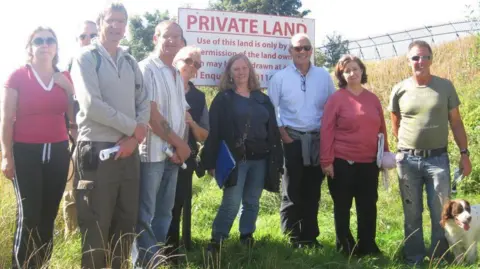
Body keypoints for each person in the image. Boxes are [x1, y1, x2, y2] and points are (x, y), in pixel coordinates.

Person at [69, 3, 150, 268]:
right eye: (111, 21)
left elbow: (144, 101)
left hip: (130, 152)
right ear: (100, 23)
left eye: (122, 21)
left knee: (125, 223)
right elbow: (91, 104)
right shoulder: (85, 58)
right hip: (96, 150)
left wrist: (134, 139)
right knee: (96, 224)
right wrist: (133, 129)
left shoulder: (130, 60)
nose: (117, 26)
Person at [388, 40, 472, 266]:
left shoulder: (445, 87)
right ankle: (414, 258)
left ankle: (440, 257)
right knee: (412, 213)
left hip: (438, 160)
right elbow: (395, 123)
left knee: (440, 212)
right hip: (407, 161)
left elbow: (456, 122)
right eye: (415, 57)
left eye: (425, 57)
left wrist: (464, 154)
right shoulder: (399, 89)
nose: (420, 61)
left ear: (431, 59)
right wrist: (409, 145)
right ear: (408, 61)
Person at [1, 26, 75, 269]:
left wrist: (68, 88)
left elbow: (73, 116)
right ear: (30, 48)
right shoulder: (18, 76)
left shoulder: (64, 77)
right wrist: (6, 155)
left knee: (48, 216)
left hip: (57, 152)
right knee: (29, 216)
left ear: (56, 47)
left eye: (50, 40)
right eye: (39, 41)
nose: (45, 44)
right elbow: (7, 118)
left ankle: (41, 264)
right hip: (25, 153)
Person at [201, 53, 284, 253]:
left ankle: (247, 235)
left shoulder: (262, 99)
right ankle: (217, 240)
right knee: (231, 202)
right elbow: (214, 132)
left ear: (250, 71)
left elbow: (273, 132)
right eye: (236, 69)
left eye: (244, 68)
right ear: (230, 73)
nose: (241, 72)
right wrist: (210, 162)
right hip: (235, 161)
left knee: (252, 202)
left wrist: (277, 160)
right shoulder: (224, 99)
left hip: (261, 159)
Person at [132, 21, 192, 267]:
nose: (172, 41)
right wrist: (181, 146)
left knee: (164, 214)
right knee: (145, 215)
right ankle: (143, 264)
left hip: (172, 156)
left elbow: (182, 115)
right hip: (152, 155)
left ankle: (154, 261)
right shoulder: (146, 68)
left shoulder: (175, 73)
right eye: (167, 36)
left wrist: (180, 148)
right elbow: (151, 115)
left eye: (177, 37)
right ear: (156, 37)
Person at [268, 33, 335, 248]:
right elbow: (272, 109)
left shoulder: (323, 76)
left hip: (316, 139)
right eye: (298, 48)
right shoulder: (280, 78)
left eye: (306, 48)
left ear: (311, 51)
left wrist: (327, 136)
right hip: (292, 139)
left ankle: (310, 236)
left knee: (312, 191)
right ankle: (291, 237)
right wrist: (283, 134)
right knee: (292, 190)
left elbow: (331, 107)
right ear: (290, 52)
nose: (302, 52)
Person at [320, 55, 389, 256]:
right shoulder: (336, 99)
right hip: (342, 162)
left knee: (368, 206)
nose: (352, 73)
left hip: (369, 163)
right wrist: (326, 161)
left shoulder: (372, 98)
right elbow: (326, 130)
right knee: (342, 206)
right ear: (342, 75)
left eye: (355, 69)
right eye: (347, 70)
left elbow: (381, 129)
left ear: (362, 71)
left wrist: (385, 154)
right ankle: (345, 246)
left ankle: (368, 245)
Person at [166, 46, 209, 256]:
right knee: (156, 207)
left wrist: (191, 123)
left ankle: (171, 254)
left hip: (185, 159)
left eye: (197, 64)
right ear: (176, 61)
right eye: (188, 61)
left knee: (177, 207)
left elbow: (203, 135)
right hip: (159, 156)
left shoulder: (199, 98)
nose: (192, 66)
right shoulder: (163, 87)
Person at [62, 19, 98, 237]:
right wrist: (72, 130)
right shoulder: (69, 68)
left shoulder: (104, 65)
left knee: (94, 188)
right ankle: (71, 236)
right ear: (77, 40)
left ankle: (92, 232)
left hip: (99, 137)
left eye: (93, 36)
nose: (88, 40)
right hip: (73, 136)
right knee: (71, 190)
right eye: (83, 36)